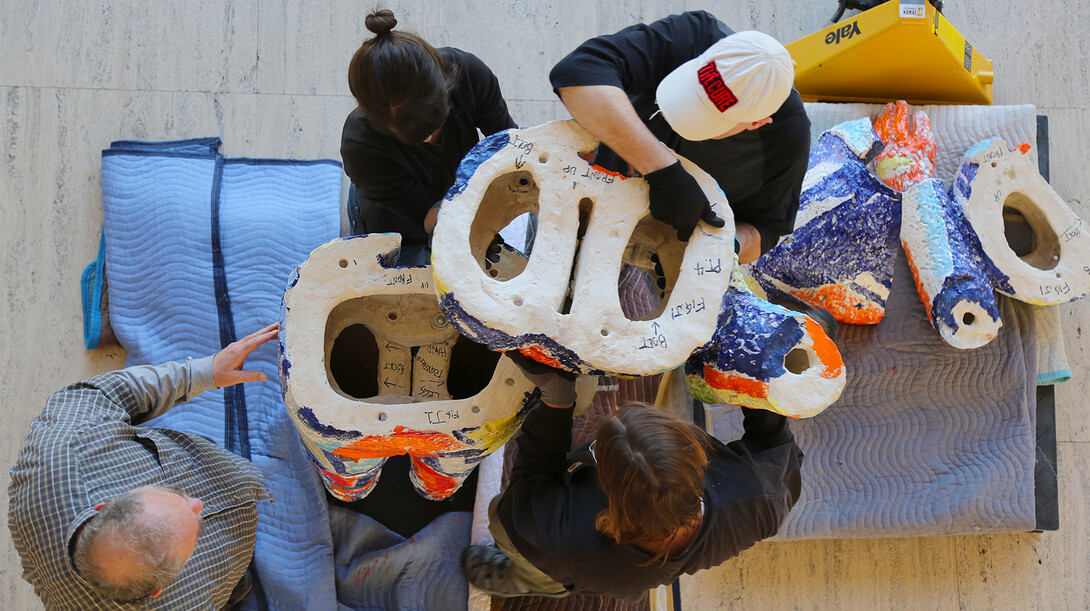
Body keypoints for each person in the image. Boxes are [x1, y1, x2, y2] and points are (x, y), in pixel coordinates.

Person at [461, 354, 802, 601]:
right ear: (695, 455)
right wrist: (755, 373)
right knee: (562, 571)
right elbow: (774, 441)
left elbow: (532, 474)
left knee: (540, 569)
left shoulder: (560, 539)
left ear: (605, 483)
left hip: (550, 556)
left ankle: (520, 578)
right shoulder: (760, 499)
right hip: (614, 569)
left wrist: (558, 401)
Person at [8, 323, 280, 609]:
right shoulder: (188, 604)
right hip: (220, 575)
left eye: (172, 491)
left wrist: (204, 372)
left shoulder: (66, 444)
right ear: (157, 592)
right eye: (194, 535)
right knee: (237, 586)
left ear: (103, 506)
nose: (197, 503)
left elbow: (114, 392)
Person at [549, 10, 811, 263]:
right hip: (576, 199)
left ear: (757, 123)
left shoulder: (788, 138)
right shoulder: (695, 34)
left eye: (709, 118)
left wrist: (721, 245)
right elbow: (576, 74)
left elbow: (764, 228)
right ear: (716, 47)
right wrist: (662, 170)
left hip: (648, 257)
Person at [340, 9, 517, 264]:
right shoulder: (360, 145)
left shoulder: (467, 73)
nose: (428, 140)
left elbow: (508, 145)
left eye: (434, 125)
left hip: (451, 188)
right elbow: (422, 210)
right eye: (413, 137)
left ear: (444, 88)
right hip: (391, 217)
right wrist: (457, 227)